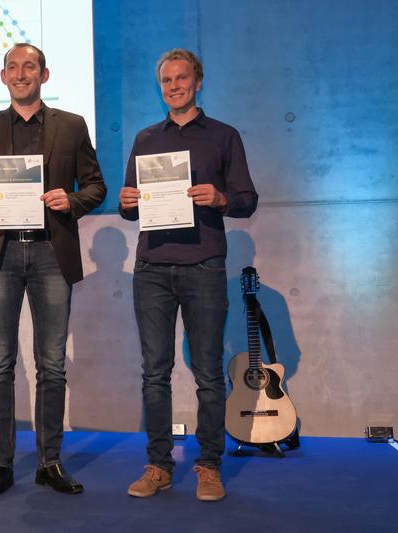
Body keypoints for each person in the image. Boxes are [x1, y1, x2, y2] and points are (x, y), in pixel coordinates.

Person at [0, 43, 106, 496]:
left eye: (29, 67)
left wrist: (72, 201)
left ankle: (49, 462)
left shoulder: (71, 126)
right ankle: (0, 464)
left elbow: (96, 185)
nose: (21, 74)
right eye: (13, 68)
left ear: (45, 74)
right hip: (0, 255)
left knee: (51, 366)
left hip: (50, 255)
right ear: (3, 78)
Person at [119, 48, 258, 502]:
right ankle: (158, 465)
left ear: (198, 82)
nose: (174, 86)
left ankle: (208, 465)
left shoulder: (223, 136)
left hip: (203, 266)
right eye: (166, 81)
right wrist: (126, 202)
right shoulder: (144, 138)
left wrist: (219, 199)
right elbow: (128, 208)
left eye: (182, 79)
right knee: (154, 373)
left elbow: (246, 199)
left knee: (208, 374)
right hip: (152, 268)